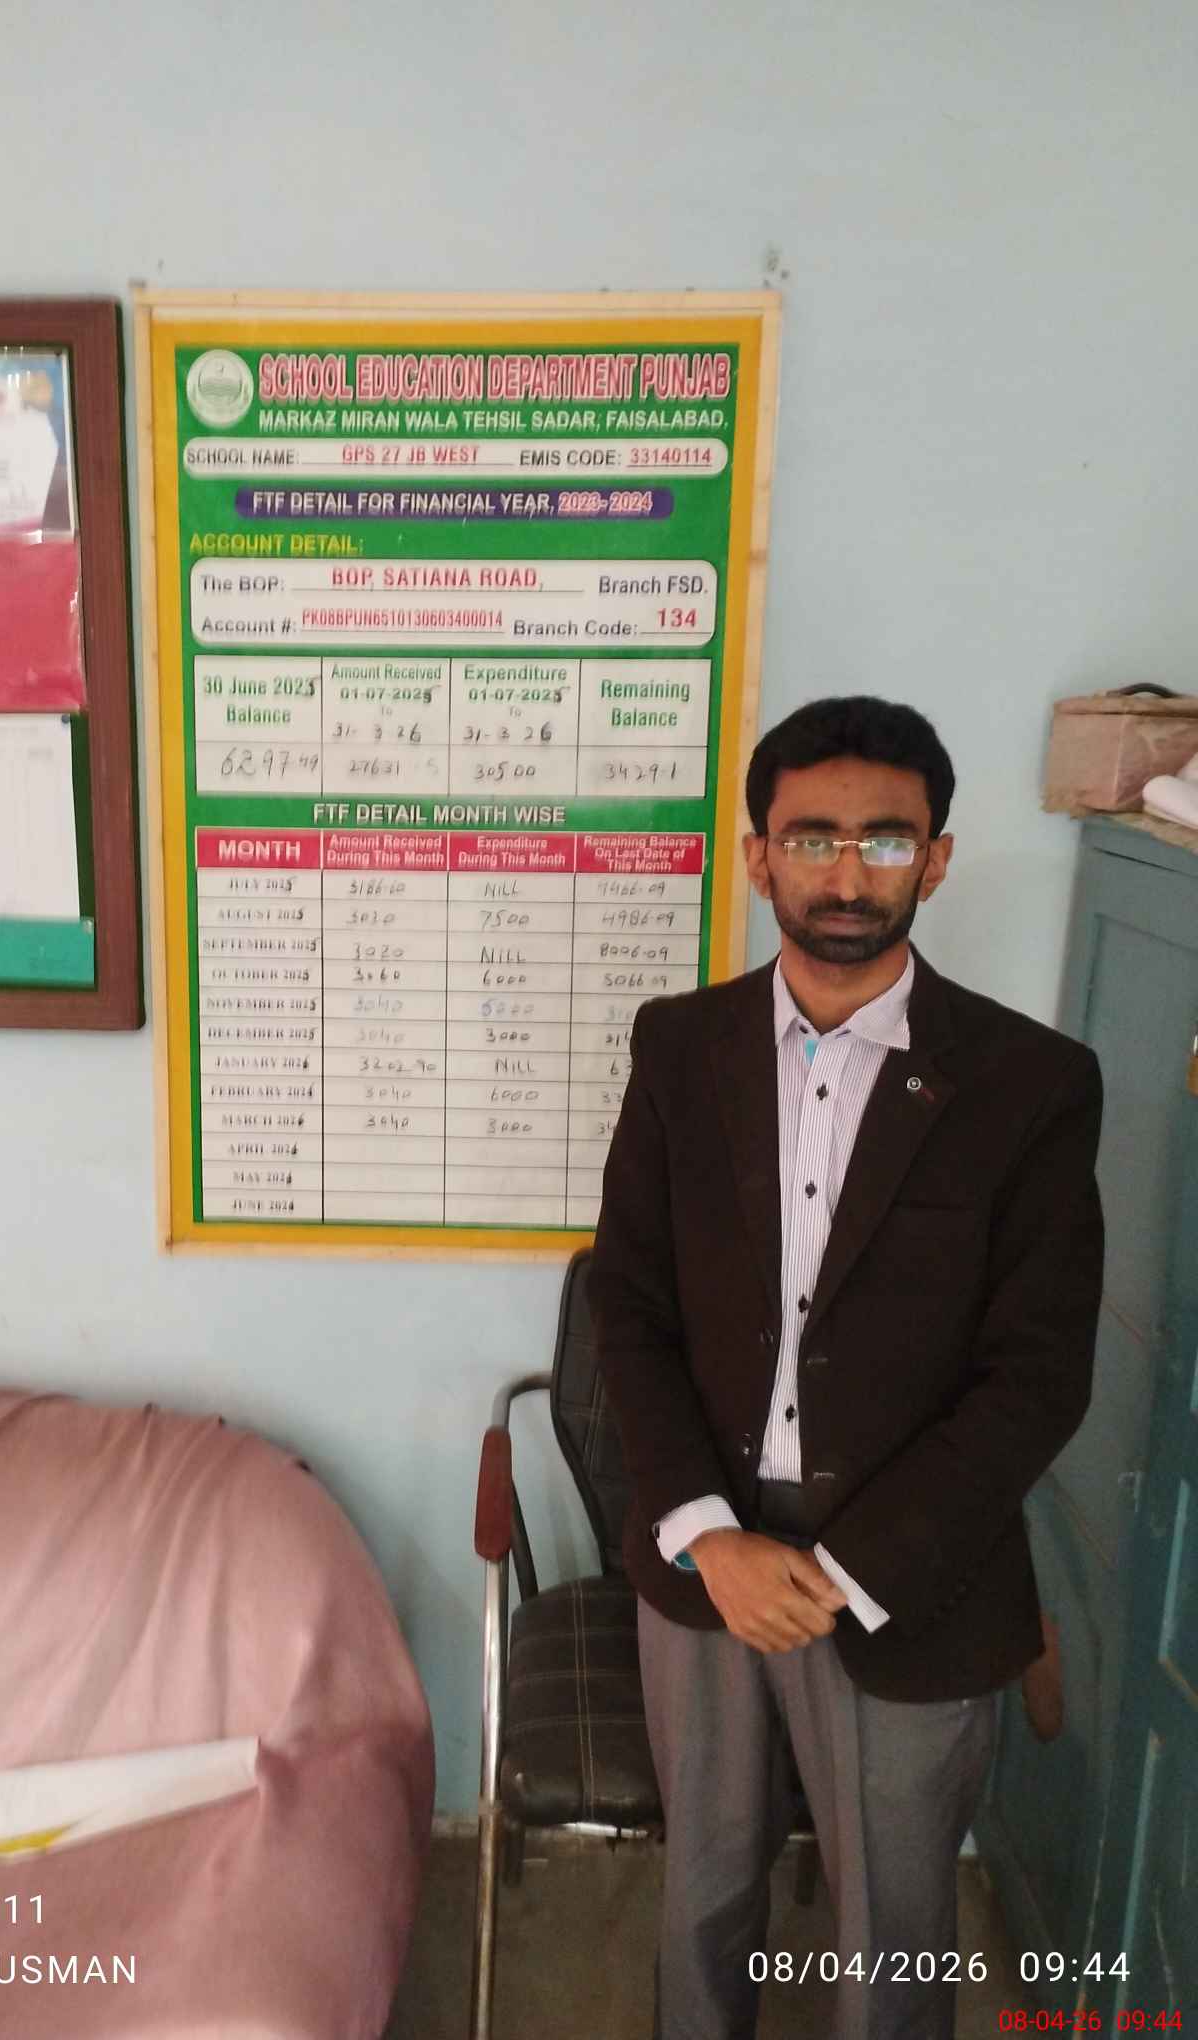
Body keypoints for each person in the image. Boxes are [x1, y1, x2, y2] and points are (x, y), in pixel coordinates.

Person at [590, 695, 1104, 2040]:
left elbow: (1037, 1375)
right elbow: (629, 1304)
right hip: (704, 1560)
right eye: (812, 838)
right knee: (703, 1900)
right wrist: (709, 1535)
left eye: (885, 841)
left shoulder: (1031, 1084)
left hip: (911, 1579)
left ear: (936, 860)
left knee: (895, 1936)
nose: (847, 873)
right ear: (757, 856)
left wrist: (846, 1571)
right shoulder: (678, 1047)